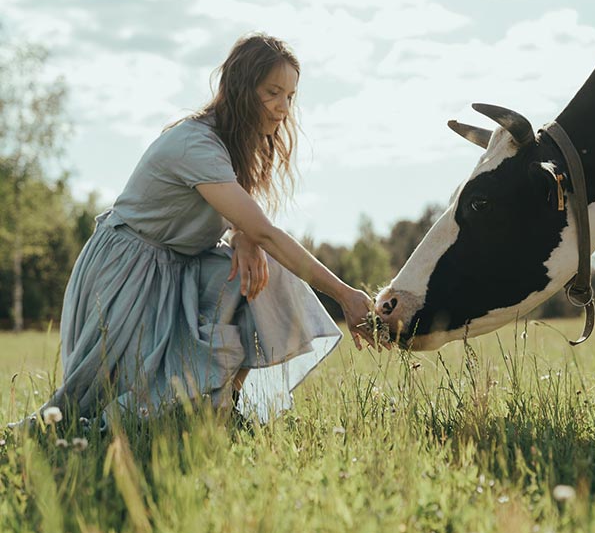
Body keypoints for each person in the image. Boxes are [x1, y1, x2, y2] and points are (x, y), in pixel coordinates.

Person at [41, 33, 375, 422]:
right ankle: (181, 411)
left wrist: (243, 236)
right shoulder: (195, 144)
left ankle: (224, 405)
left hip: (179, 267)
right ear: (241, 87)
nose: (283, 108)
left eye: (291, 96)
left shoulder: (235, 143)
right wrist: (345, 295)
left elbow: (249, 224)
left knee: (266, 271)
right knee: (105, 412)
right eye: (273, 92)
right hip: (128, 271)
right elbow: (264, 229)